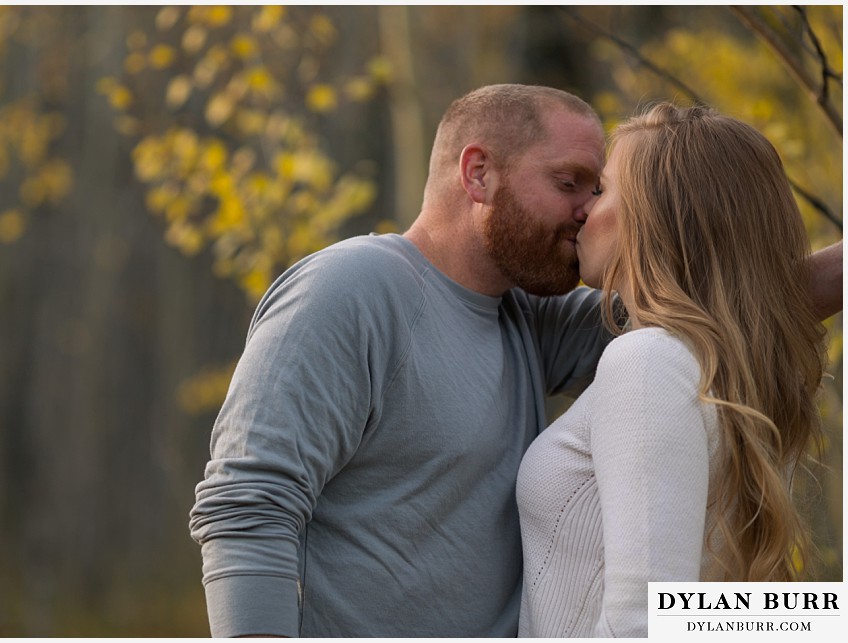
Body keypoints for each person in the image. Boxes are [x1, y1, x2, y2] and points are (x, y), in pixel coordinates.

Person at [189, 85, 841, 637]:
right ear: (478, 173)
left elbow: (728, 304)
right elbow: (249, 505)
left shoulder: (531, 319)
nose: (586, 209)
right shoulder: (351, 290)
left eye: (598, 187)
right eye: (569, 183)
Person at [516, 103, 838, 638]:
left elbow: (641, 623)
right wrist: (825, 620)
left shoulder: (647, 362)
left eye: (601, 191)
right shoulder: (727, 363)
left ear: (657, 217)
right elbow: (701, 612)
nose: (583, 211)